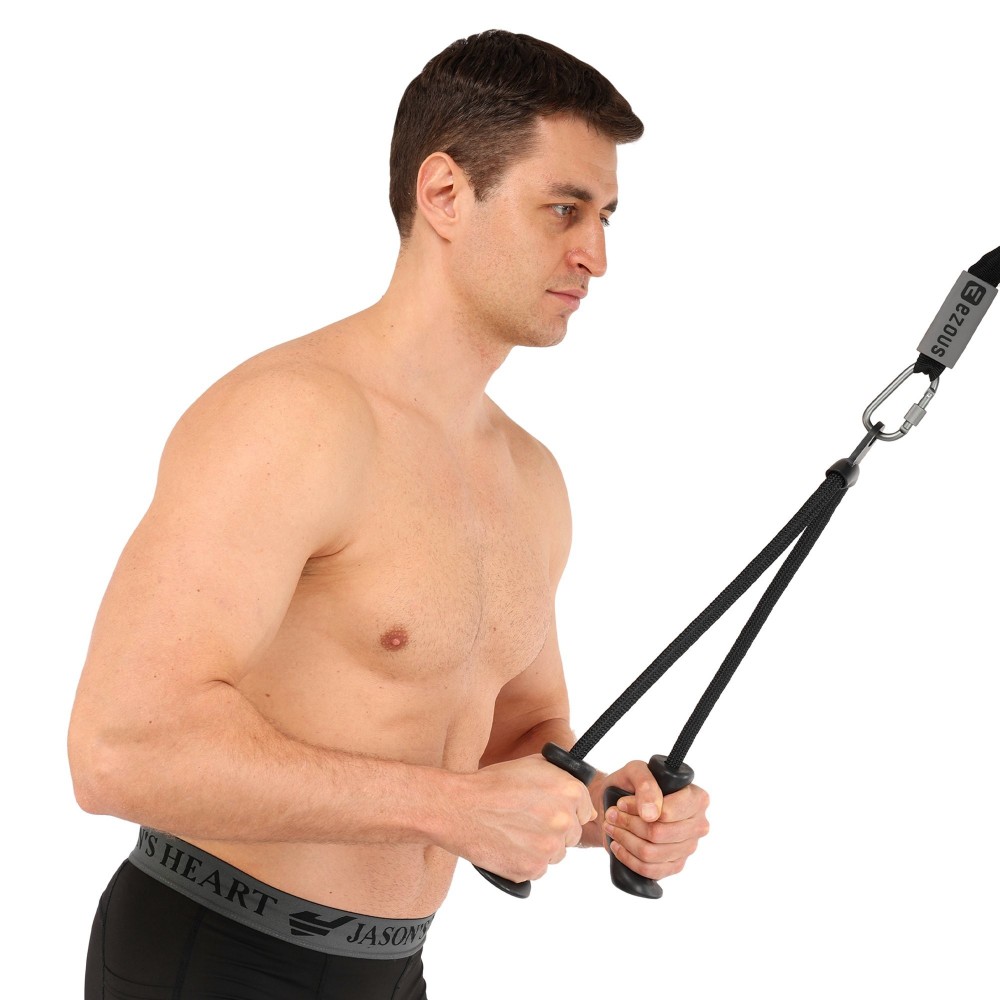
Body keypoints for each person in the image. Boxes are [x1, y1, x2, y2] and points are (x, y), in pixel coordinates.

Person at [68, 28, 711, 1000]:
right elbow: (120, 751)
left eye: (607, 216)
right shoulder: (294, 420)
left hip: (392, 969)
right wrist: (454, 809)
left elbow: (519, 738)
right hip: (217, 957)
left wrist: (604, 809)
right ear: (444, 193)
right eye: (564, 209)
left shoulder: (530, 476)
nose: (596, 255)